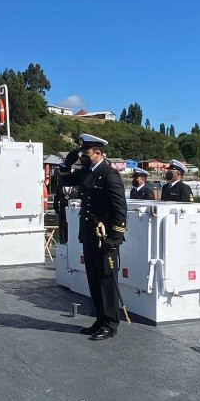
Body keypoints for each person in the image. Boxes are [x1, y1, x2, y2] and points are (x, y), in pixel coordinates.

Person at [59, 134, 127, 340]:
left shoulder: (109, 175)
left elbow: (120, 209)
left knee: (107, 279)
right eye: (81, 153)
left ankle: (110, 323)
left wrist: (114, 237)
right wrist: (67, 163)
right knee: (94, 278)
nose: (83, 156)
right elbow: (63, 180)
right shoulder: (86, 172)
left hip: (105, 236)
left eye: (86, 153)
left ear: (98, 153)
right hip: (89, 234)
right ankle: (99, 319)